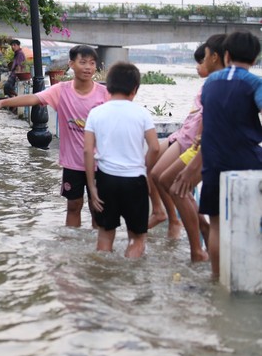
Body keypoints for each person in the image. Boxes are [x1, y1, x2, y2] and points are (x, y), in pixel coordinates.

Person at [0, 45, 109, 228]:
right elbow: (33, 98)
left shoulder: (104, 94)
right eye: (83, 62)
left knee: (99, 208)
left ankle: (97, 250)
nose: (88, 67)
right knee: (73, 206)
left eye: (92, 63)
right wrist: (2, 102)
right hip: (72, 163)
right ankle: (71, 247)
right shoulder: (61, 90)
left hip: (100, 162)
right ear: (71, 64)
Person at [191, 31, 262, 277]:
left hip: (213, 160)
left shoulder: (210, 82)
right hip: (247, 160)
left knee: (217, 225)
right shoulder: (254, 83)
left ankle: (216, 277)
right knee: (251, 221)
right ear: (255, 60)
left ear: (227, 54)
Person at [157, 34, 226, 262]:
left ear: (215, 57)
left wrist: (200, 138)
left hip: (201, 145)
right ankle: (197, 235)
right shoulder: (213, 83)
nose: (200, 64)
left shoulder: (221, 83)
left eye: (203, 58)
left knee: (172, 184)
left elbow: (212, 116)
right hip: (189, 139)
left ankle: (198, 242)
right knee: (164, 178)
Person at [84, 62, 160, 258]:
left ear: (107, 87)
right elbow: (155, 147)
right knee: (137, 238)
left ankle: (105, 275)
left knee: (105, 235)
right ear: (135, 89)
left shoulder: (96, 113)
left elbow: (87, 152)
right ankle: (128, 276)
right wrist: (145, 169)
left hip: (106, 180)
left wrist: (92, 187)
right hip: (135, 180)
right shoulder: (142, 113)